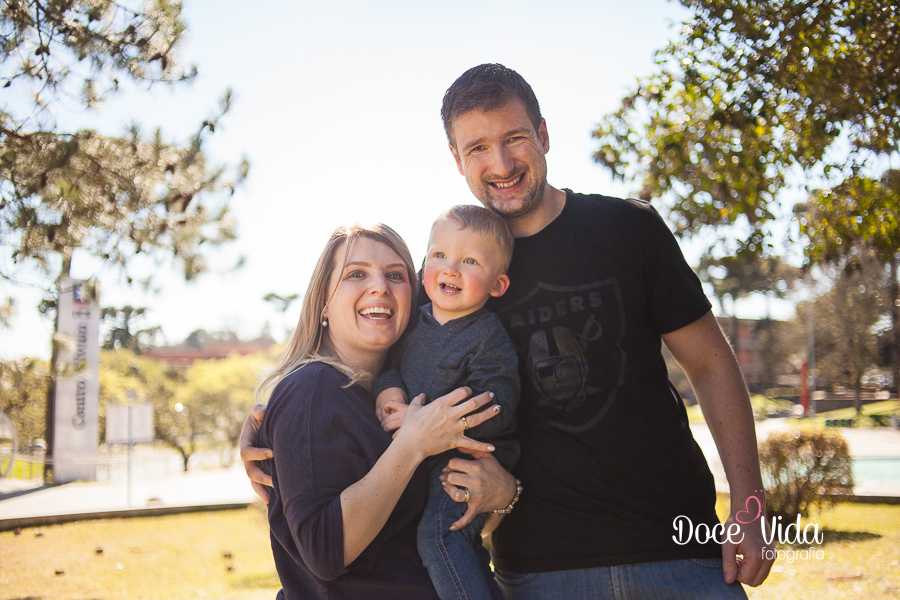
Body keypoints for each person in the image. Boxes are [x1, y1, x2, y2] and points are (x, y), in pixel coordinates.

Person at [243, 64, 774, 599]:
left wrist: (749, 506)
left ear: (543, 135)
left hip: (677, 552)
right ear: (457, 158)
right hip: (538, 572)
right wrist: (262, 431)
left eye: (515, 139)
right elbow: (358, 364)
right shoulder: (442, 279)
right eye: (476, 148)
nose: (500, 164)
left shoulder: (628, 230)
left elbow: (709, 363)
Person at [254, 222, 501, 600]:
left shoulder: (402, 396)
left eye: (395, 275)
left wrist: (504, 494)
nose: (380, 287)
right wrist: (412, 444)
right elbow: (323, 551)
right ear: (323, 299)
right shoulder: (311, 389)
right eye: (356, 273)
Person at [375, 205, 520, 600]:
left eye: (469, 261)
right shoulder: (410, 323)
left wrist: (421, 420)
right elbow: (386, 366)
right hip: (416, 457)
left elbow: (498, 405)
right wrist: (390, 393)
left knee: (440, 538)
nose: (451, 268)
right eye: (439, 255)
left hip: (468, 461)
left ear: (496, 285)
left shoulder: (488, 335)